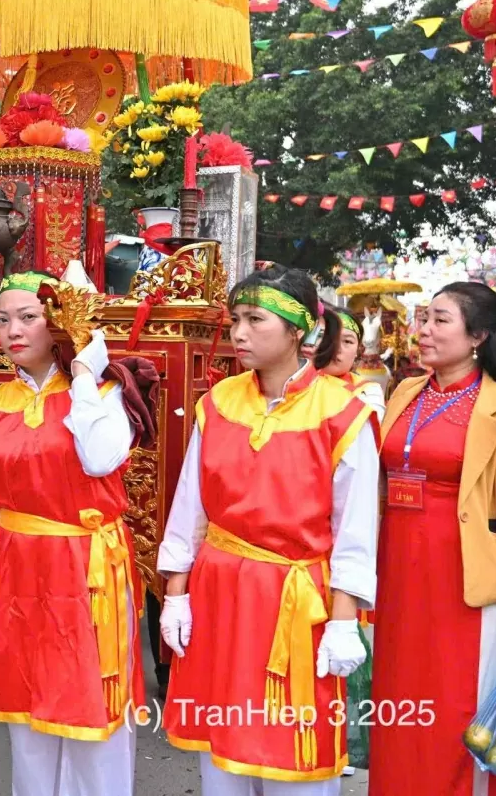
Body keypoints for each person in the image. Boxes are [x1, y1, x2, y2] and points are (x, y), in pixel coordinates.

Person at [158, 264, 380, 795]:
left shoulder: (342, 413)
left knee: (292, 758)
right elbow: (190, 506)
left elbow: (355, 530)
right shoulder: (217, 403)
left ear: (299, 329)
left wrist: (345, 619)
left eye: (255, 319)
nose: (239, 332)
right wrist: (175, 594)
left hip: (294, 599)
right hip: (220, 594)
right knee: (223, 755)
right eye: (235, 319)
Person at [0, 271, 142, 796]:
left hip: (88, 572)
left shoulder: (107, 393)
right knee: (27, 717)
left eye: (28, 317)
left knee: (91, 722)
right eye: (2, 319)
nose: (12, 330)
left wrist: (83, 372)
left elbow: (99, 458)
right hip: (19, 573)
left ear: (56, 321)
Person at [369, 282, 496, 796]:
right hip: (396, 571)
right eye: (424, 319)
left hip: (463, 578)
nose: (423, 331)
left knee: (455, 705)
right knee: (399, 701)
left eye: (440, 321)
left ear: (478, 335)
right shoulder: (406, 391)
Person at [321, 307, 386, 420]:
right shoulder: (294, 385)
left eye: (347, 341)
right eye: (329, 338)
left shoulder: (368, 393)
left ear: (358, 350)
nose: (337, 348)